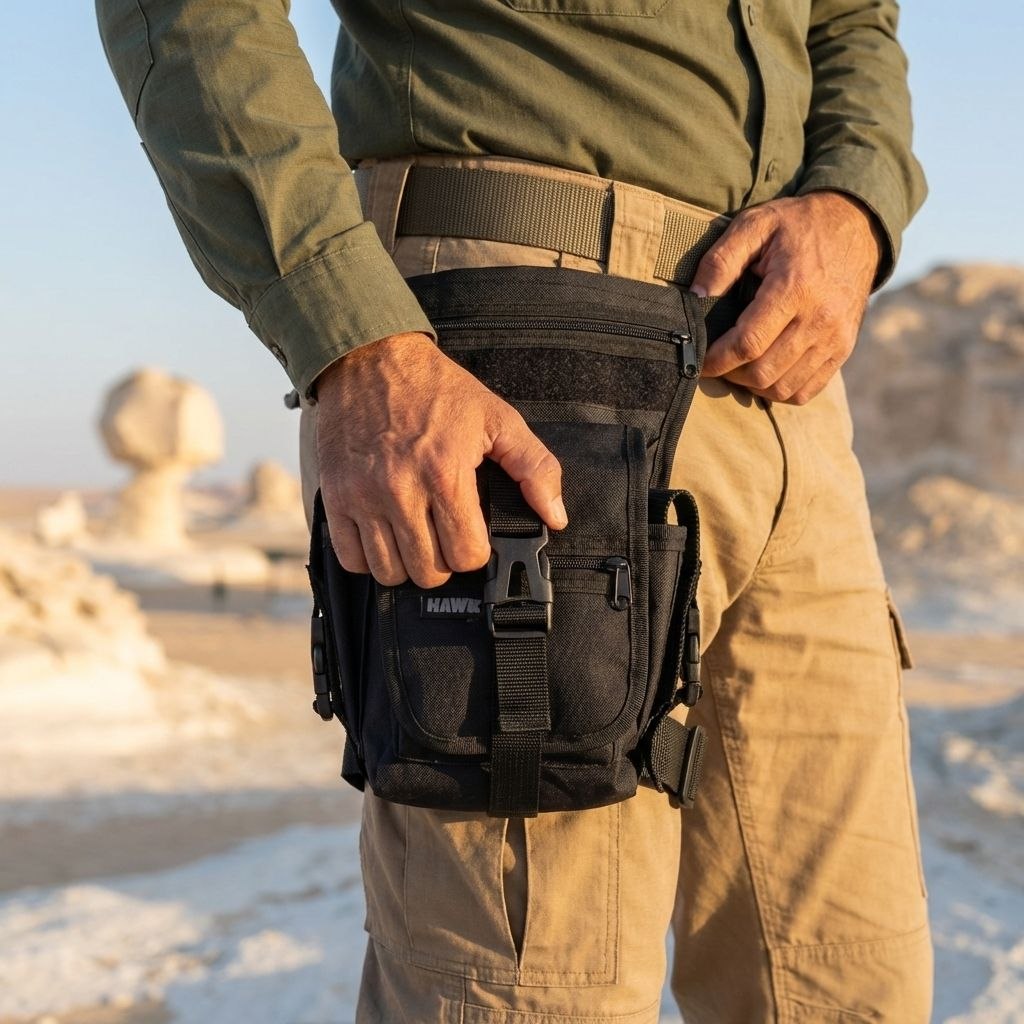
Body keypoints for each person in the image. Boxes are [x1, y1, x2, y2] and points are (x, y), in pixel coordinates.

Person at [96, 1, 931, 1020]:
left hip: (785, 376)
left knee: (849, 981)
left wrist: (856, 198)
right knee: (524, 995)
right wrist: (355, 340)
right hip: (514, 342)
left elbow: (852, 17)